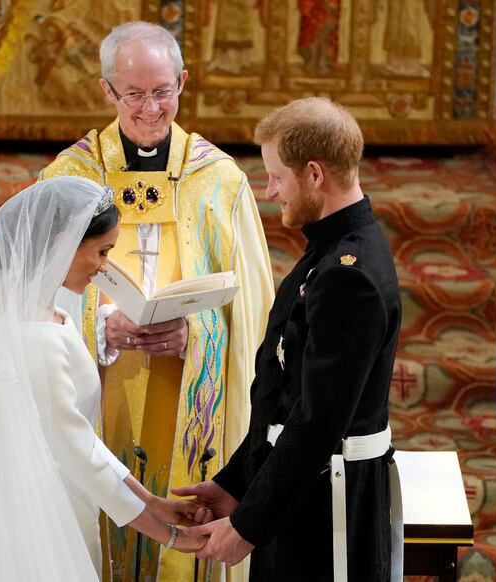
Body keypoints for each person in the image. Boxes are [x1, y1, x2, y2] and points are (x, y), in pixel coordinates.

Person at [39, 21, 274, 581]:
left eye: (162, 91)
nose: (150, 108)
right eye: (135, 93)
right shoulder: (68, 178)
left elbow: (257, 313)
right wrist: (100, 328)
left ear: (183, 83)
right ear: (107, 92)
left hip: (188, 392)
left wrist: (200, 336)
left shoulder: (219, 181)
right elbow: (33, 300)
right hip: (98, 388)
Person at [0, 177, 205, 582]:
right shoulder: (38, 336)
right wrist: (169, 537)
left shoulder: (44, 312)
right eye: (101, 252)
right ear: (60, 243)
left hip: (57, 504)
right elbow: (78, 454)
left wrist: (154, 502)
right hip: (40, 523)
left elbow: (81, 437)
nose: (105, 267)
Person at [175, 97, 403, 581]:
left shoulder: (349, 276)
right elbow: (283, 396)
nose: (270, 189)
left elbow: (317, 423)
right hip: (302, 491)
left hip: (327, 506)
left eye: (277, 175)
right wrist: (237, 483)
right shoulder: (330, 249)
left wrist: (249, 525)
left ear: (315, 175)